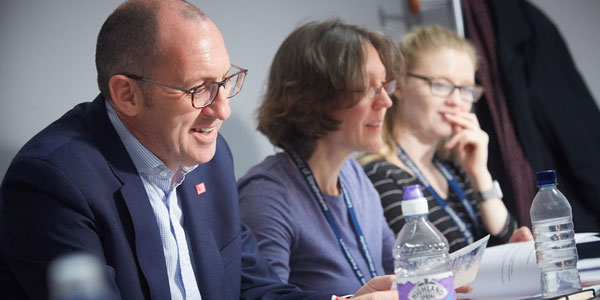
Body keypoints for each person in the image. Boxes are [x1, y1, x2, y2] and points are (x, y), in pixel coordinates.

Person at [0, 1, 397, 299]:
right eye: (199, 89)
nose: (222, 108)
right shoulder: (54, 182)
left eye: (225, 82)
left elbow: (253, 287)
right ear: (127, 94)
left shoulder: (211, 157)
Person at [237, 20, 401, 295]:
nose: (386, 101)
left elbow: (395, 272)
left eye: (385, 86)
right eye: (368, 87)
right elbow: (265, 296)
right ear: (315, 97)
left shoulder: (354, 176)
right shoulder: (265, 195)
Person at [359, 26, 532, 253]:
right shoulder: (378, 176)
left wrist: (480, 175)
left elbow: (511, 245)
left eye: (466, 89)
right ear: (399, 85)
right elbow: (432, 265)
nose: (457, 101)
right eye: (441, 85)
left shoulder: (453, 169)